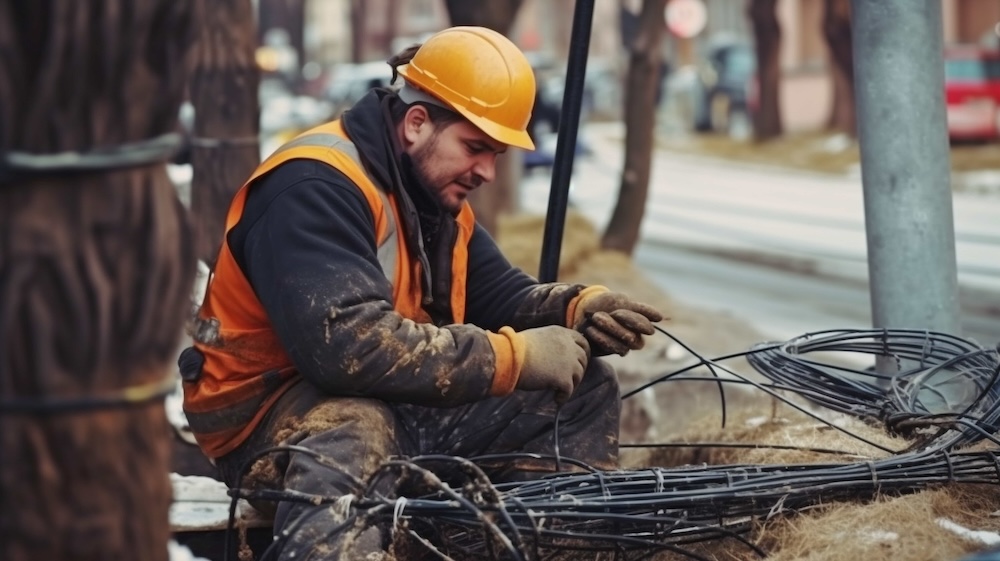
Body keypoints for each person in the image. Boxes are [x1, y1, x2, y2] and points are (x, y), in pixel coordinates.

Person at [179, 26, 664, 559]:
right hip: (266, 422)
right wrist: (514, 357)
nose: (486, 170)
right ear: (416, 123)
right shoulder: (314, 187)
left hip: (380, 398)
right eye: (475, 147)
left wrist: (577, 309)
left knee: (582, 388)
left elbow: (502, 296)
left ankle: (530, 548)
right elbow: (349, 348)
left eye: (496, 153)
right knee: (357, 425)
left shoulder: (432, 197)